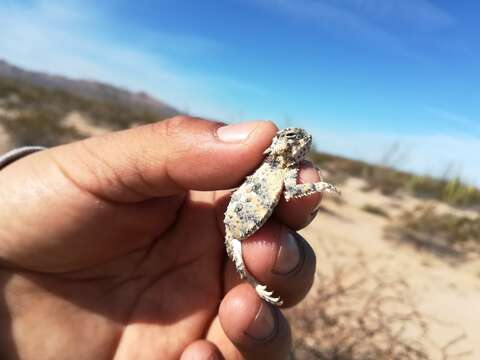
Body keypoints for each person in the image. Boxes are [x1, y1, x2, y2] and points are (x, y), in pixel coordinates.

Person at [0, 116, 323, 359]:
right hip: (240, 220)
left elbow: (294, 191)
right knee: (251, 275)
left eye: (299, 139)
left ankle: (254, 283)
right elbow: (294, 192)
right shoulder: (268, 167)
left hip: (241, 223)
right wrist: (319, 186)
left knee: (250, 291)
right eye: (292, 138)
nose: (299, 142)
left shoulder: (280, 172)